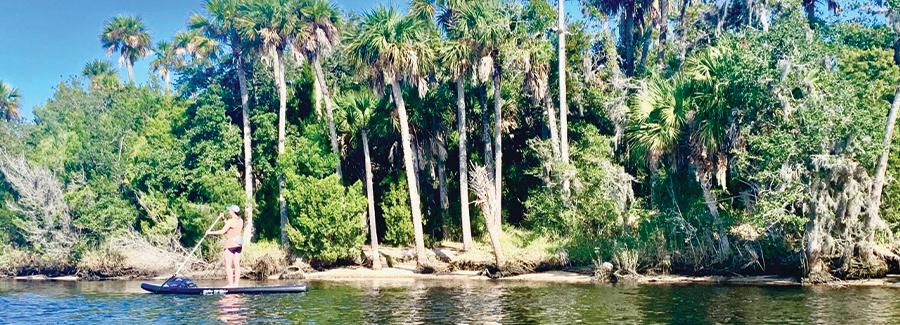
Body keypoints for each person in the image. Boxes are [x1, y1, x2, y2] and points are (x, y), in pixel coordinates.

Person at [207, 205, 244, 287]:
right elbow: (230, 226)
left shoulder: (231, 221)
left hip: (231, 244)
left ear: (233, 212)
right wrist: (223, 219)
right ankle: (236, 285)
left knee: (228, 265)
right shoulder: (240, 220)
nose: (228, 211)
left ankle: (231, 285)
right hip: (238, 245)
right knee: (236, 264)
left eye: (230, 210)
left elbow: (222, 231)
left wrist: (209, 232)